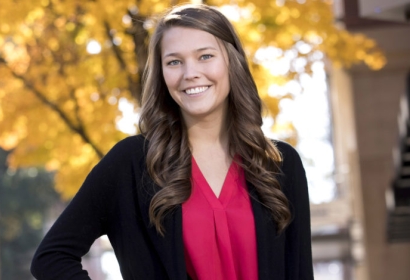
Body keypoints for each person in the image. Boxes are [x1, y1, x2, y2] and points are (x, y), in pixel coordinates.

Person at [30, 3, 313, 280]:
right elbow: (51, 258)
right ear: (162, 75)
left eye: (205, 56)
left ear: (232, 61)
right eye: (174, 62)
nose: (190, 73)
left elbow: (300, 272)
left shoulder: (279, 164)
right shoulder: (132, 163)